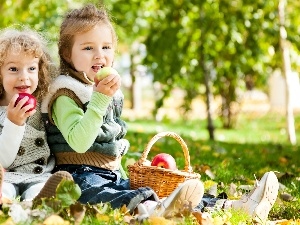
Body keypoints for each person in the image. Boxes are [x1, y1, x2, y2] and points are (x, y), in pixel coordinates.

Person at [41, 3, 279, 223]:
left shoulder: (104, 90)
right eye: (88, 48)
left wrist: (126, 175)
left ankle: (234, 205)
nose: (99, 55)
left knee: (147, 189)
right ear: (67, 54)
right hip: (78, 176)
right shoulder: (65, 94)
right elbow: (80, 143)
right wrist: (100, 99)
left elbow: (110, 145)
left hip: (110, 174)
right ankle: (157, 210)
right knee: (106, 196)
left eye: (106, 47)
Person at [0, 28, 73, 205]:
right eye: (13, 69)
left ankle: (35, 204)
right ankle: (7, 203)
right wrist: (13, 123)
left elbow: (65, 72)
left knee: (39, 191)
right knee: (6, 191)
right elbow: (3, 160)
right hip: (7, 176)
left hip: (40, 175)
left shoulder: (43, 101)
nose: (24, 77)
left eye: (31, 68)